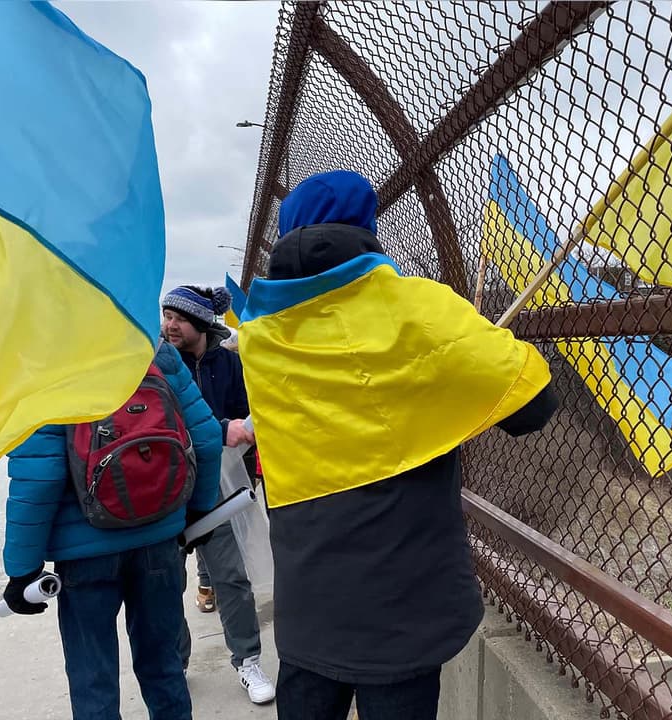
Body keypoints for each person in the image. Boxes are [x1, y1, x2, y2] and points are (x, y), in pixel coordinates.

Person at [239, 170, 558, 720]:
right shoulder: (419, 308)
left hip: (309, 607)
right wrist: (472, 344)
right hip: (404, 610)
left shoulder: (259, 338)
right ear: (367, 228)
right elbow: (535, 407)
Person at [1, 341, 222, 720]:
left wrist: (22, 569)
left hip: (85, 553)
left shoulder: (49, 363)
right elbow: (207, 439)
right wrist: (199, 513)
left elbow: (39, 478)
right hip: (159, 537)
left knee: (93, 680)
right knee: (165, 667)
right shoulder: (157, 352)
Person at [161, 285, 275, 705]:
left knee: (231, 578)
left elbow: (253, 413)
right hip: (167, 492)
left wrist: (241, 431)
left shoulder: (231, 364)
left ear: (202, 324)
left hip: (216, 491)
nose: (169, 325)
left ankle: (247, 660)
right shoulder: (154, 364)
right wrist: (219, 429)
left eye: (179, 318)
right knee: (165, 584)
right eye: (166, 315)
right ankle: (175, 662)